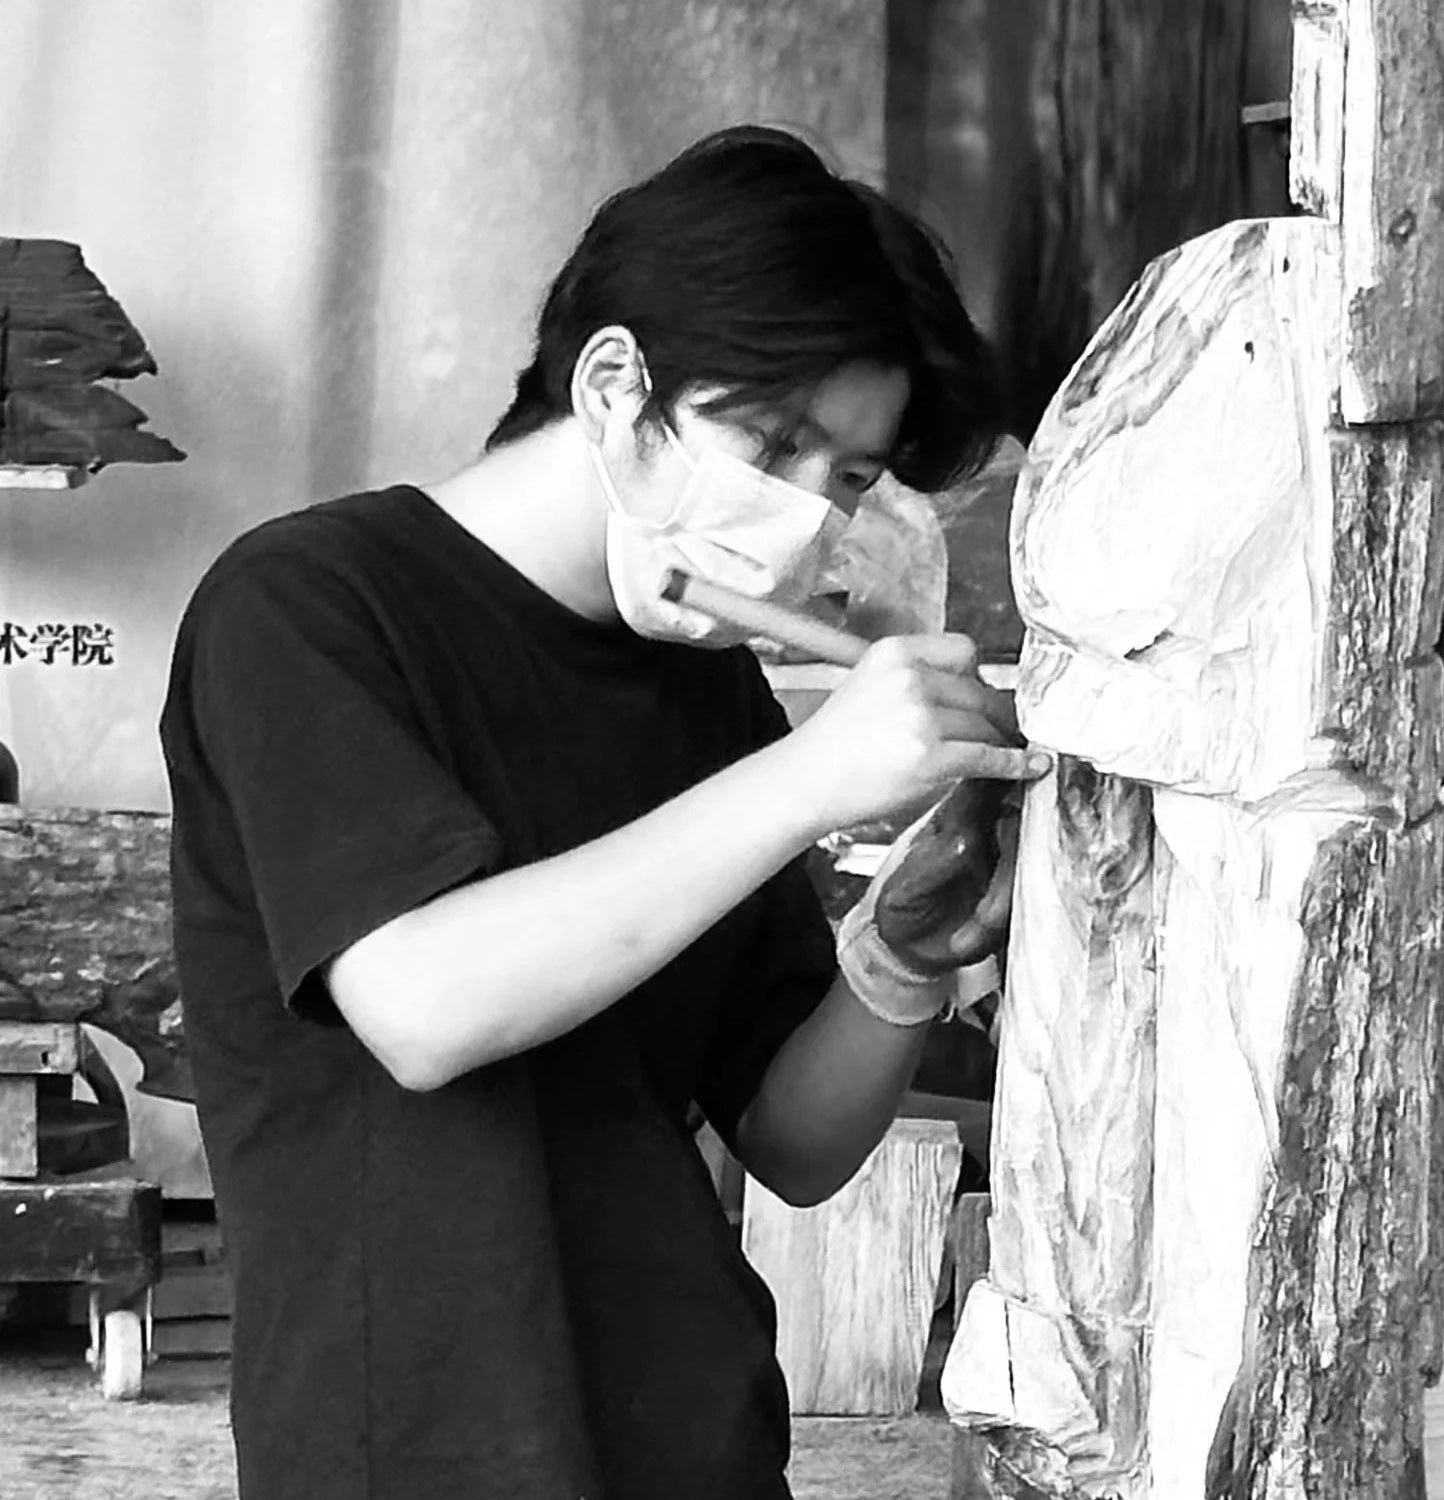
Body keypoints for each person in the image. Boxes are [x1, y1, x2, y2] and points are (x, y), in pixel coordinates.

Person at [159, 125, 1047, 1500]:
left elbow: (794, 1141)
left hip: (698, 1446)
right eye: (776, 443)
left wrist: (902, 957)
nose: (807, 520)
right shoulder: (306, 609)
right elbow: (424, 1003)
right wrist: (808, 780)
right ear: (617, 385)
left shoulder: (706, 691)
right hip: (413, 1463)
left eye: (849, 478)